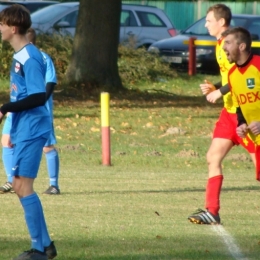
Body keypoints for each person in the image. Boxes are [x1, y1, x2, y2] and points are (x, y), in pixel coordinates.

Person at [188, 4, 256, 225]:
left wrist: (219, 91)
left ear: (221, 22)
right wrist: (217, 87)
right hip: (232, 113)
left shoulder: (233, 47)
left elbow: (238, 79)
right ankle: (212, 211)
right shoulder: (222, 47)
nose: (205, 24)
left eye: (208, 20)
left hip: (249, 114)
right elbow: (232, 80)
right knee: (213, 157)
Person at [0, 4, 57, 260]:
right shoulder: (19, 55)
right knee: (21, 185)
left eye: (1, 24)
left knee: (22, 185)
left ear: (13, 28)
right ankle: (45, 246)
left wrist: (6, 107)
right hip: (24, 125)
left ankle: (40, 249)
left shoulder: (30, 58)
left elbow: (36, 96)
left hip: (33, 126)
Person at [0, 28, 60, 195]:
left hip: (37, 112)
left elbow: (49, 85)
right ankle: (11, 180)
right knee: (6, 141)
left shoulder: (40, 58)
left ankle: (54, 184)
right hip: (16, 109)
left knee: (47, 147)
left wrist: (38, 102)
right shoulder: (17, 57)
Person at [222, 27, 260, 179]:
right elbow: (239, 105)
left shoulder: (258, 66)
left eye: (228, 43)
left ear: (242, 46)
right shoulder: (232, 75)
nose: (224, 47)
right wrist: (241, 124)